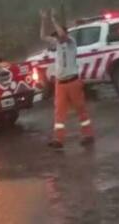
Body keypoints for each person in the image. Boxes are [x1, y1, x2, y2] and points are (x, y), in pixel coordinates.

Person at [39, 9, 95, 149]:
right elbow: (42, 37)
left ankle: (87, 134)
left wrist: (53, 20)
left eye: (57, 35)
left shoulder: (71, 42)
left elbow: (63, 35)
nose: (57, 38)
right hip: (60, 83)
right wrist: (44, 20)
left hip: (73, 81)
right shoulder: (57, 44)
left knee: (80, 108)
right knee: (59, 111)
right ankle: (58, 139)